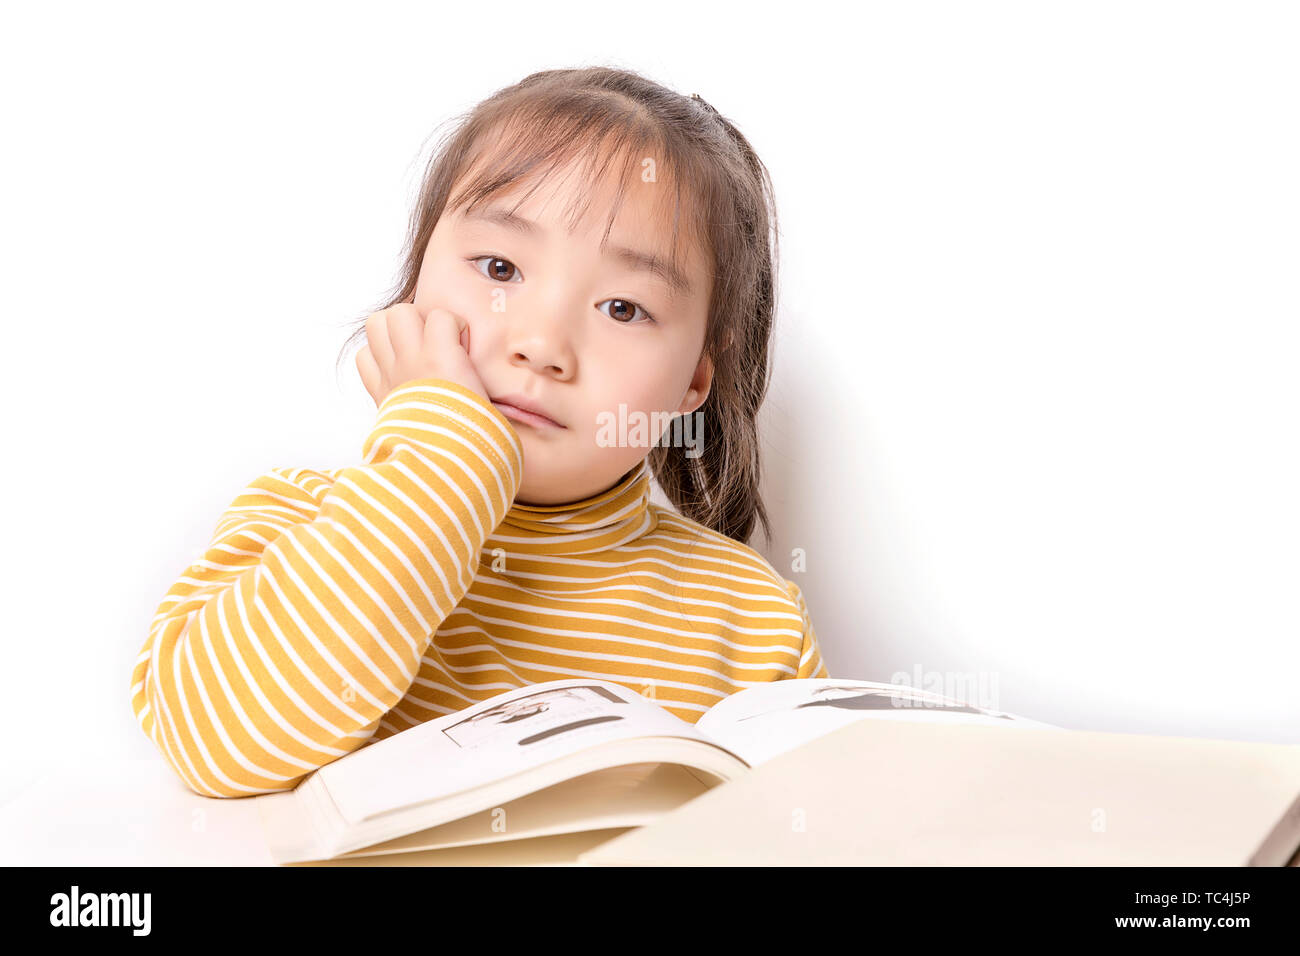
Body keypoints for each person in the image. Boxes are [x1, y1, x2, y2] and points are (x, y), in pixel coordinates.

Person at [129, 66, 829, 798]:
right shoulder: (298, 524)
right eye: (499, 267)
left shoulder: (751, 622)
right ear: (413, 292)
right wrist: (442, 460)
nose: (541, 344)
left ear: (691, 381)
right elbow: (213, 747)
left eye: (623, 308)